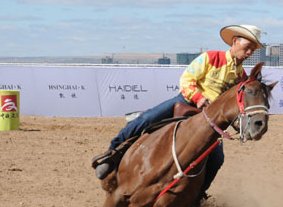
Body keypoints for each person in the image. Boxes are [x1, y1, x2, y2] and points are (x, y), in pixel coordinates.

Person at [91, 25, 264, 186]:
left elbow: (237, 104)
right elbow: (187, 79)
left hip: (210, 120)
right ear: (235, 42)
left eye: (252, 50)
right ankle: (110, 155)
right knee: (147, 118)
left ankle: (197, 197)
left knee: (217, 159)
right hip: (185, 102)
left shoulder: (242, 77)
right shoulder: (211, 58)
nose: (249, 52)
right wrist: (198, 97)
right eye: (247, 47)